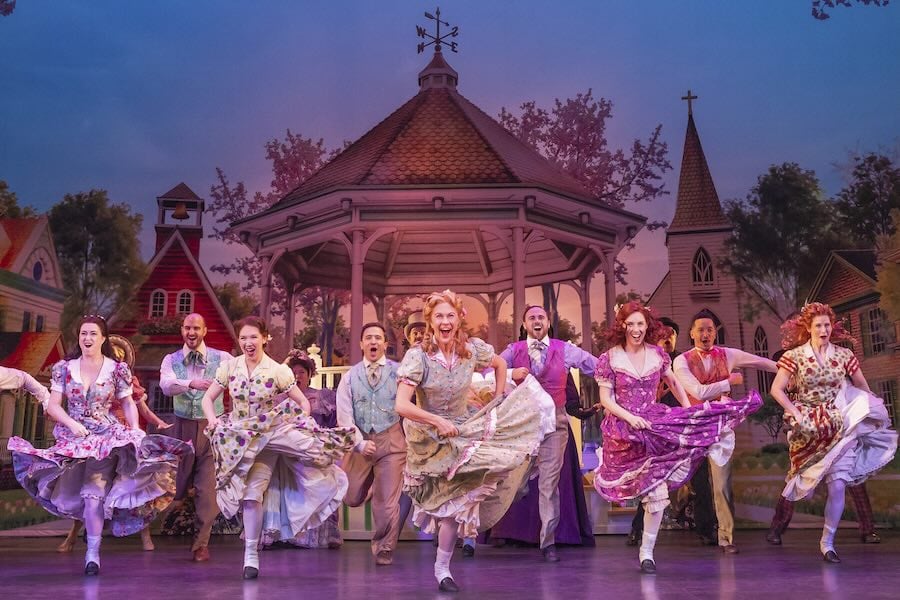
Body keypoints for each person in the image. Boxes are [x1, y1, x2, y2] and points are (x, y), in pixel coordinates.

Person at [7, 315, 191, 575]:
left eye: (93, 333)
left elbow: (128, 402)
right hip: (74, 439)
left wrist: (134, 429)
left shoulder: (116, 369)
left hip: (104, 438)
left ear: (103, 338)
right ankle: (83, 540)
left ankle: (92, 554)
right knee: (75, 493)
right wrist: (71, 424)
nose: (87, 338)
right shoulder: (64, 368)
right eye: (84, 333)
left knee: (93, 495)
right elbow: (53, 405)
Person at [592, 302, 761, 574]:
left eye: (640, 324)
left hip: (653, 427)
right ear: (622, 326)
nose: (636, 329)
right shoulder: (610, 358)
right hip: (624, 432)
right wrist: (629, 417)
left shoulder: (657, 355)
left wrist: (689, 412)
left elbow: (673, 382)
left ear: (647, 326)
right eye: (631, 324)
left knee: (658, 494)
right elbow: (605, 399)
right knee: (639, 490)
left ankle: (647, 552)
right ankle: (640, 537)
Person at [394, 290, 546, 592]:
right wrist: (437, 421)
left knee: (460, 503)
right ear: (430, 321)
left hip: (463, 429)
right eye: (439, 316)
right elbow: (401, 404)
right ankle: (441, 565)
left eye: (450, 315)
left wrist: (498, 398)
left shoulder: (471, 349)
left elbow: (500, 365)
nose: (445, 322)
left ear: (458, 319)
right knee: (444, 504)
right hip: (429, 438)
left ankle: (442, 569)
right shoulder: (418, 356)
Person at [200, 316, 355, 579]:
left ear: (264, 338)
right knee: (242, 496)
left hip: (266, 439)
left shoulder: (277, 370)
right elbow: (207, 398)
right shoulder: (230, 367)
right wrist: (213, 420)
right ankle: (251, 549)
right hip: (239, 440)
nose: (248, 342)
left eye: (253, 337)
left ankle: (250, 555)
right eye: (243, 338)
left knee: (253, 493)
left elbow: (302, 403)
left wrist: (299, 420)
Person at [767, 302, 897, 563]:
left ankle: (828, 543)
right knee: (801, 483)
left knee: (838, 485)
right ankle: (778, 528)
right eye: (818, 325)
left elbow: (862, 386)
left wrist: (869, 411)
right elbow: (776, 389)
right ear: (809, 328)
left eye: (827, 325)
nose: (823, 330)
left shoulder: (844, 355)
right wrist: (795, 412)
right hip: (809, 427)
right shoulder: (795, 356)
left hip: (839, 423)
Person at [494, 305, 598, 562]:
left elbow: (596, 366)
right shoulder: (514, 351)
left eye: (541, 317)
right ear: (524, 325)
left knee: (549, 484)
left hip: (554, 425)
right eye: (531, 318)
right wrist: (510, 373)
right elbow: (489, 369)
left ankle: (547, 542)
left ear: (548, 323)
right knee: (515, 483)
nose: (537, 321)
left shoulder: (565, 350)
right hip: (522, 425)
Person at [671, 309, 777, 554]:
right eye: (701, 330)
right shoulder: (682, 361)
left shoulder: (727, 355)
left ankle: (726, 538)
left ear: (715, 332)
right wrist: (729, 382)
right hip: (695, 427)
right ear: (692, 333)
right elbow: (698, 392)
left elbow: (760, 362)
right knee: (686, 479)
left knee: (722, 485)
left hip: (721, 427)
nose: (705, 334)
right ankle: (682, 505)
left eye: (710, 329)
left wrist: (789, 368)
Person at [57, 335, 173, 553]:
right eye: (114, 354)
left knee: (132, 484)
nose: (117, 358)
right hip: (97, 437)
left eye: (121, 356)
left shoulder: (127, 380)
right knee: (90, 486)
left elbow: (141, 408)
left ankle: (145, 535)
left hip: (124, 435)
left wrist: (158, 422)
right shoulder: (91, 374)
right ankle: (73, 535)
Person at [765, 351, 882, 546]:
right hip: (809, 441)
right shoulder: (788, 390)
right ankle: (776, 528)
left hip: (836, 433)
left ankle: (868, 529)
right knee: (797, 480)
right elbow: (789, 411)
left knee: (852, 477)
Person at [159, 313, 232, 562]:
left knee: (207, 488)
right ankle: (157, 525)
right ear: (182, 330)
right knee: (177, 484)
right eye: (187, 328)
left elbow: (240, 375)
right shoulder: (171, 359)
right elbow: (166, 385)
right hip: (182, 428)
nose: (191, 333)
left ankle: (201, 543)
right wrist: (191, 383)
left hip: (212, 427)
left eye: (196, 328)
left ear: (205, 331)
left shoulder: (222, 358)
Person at [335, 323, 407, 565]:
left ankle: (384, 548)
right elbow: (344, 416)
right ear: (361, 344)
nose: (373, 341)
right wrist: (359, 443)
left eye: (378, 338)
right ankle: (376, 486)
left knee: (386, 505)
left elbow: (410, 405)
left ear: (385, 344)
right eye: (368, 338)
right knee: (350, 496)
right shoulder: (350, 377)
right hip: (362, 440)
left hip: (391, 442)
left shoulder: (400, 373)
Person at [259, 348, 343, 550]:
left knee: (323, 479)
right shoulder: (279, 400)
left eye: (302, 372)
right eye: (293, 373)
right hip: (286, 453)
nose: (297, 376)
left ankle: (322, 535)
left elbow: (333, 423)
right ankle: (280, 534)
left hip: (312, 451)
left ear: (310, 374)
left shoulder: (321, 396)